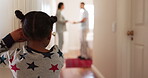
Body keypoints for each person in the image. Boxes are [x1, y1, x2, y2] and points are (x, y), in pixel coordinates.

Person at [0, 10, 64, 78]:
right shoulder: (58, 56)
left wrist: (10, 38)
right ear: (49, 36)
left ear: (24, 34)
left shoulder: (14, 57)